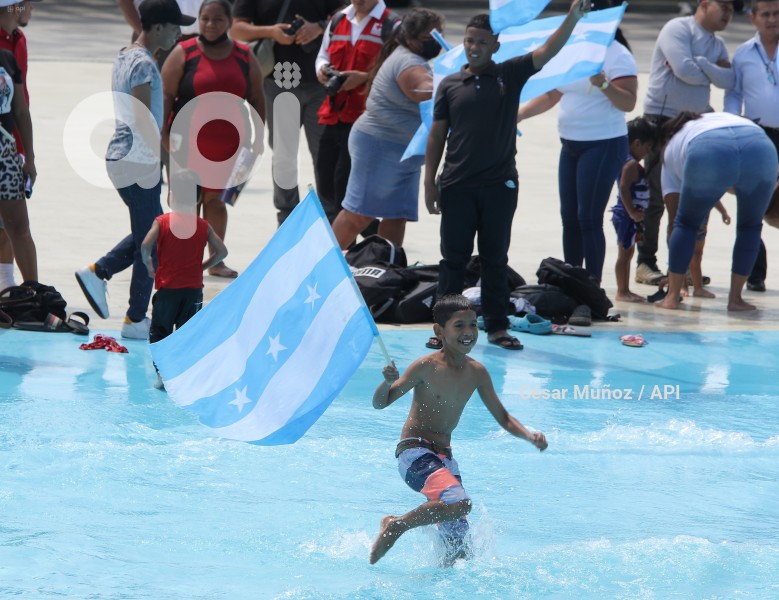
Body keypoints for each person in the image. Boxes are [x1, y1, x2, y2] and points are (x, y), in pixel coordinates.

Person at [424, 1, 589, 352]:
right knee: (452, 261)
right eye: (470, 41)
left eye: (482, 42)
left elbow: (547, 51)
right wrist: (429, 182)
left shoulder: (509, 74)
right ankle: (444, 328)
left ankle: (497, 327)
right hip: (456, 186)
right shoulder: (450, 85)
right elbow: (437, 136)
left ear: (495, 46)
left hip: (499, 187)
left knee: (495, 259)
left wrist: (572, 17)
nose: (474, 47)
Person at [369, 294, 548, 565]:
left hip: (445, 460)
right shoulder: (425, 366)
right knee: (460, 503)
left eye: (473, 325)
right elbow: (381, 403)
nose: (468, 333)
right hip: (414, 453)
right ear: (439, 331)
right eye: (459, 326)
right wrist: (386, 383)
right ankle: (397, 525)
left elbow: (502, 416)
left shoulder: (477, 372)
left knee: (458, 553)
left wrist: (528, 436)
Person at [75, 0, 195, 339]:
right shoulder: (143, 64)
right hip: (137, 161)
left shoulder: (125, 54)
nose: (179, 33)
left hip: (121, 156)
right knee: (153, 242)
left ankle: (100, 272)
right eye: (174, 27)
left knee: (152, 232)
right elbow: (143, 121)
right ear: (157, 27)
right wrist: (168, 164)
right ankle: (134, 318)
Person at [517, 0, 637, 283]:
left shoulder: (618, 55)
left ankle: (592, 285)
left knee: (588, 218)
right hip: (570, 143)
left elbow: (629, 102)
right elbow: (553, 94)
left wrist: (605, 84)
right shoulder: (574, 51)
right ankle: (571, 282)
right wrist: (518, 115)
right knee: (569, 217)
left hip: (603, 143)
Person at [636, 0, 740, 286]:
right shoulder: (677, 29)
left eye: (733, 10)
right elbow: (684, 71)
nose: (729, 13)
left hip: (694, 125)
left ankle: (679, 268)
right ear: (705, 4)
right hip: (662, 121)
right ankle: (645, 262)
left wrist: (702, 64)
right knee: (656, 197)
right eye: (725, 6)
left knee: (688, 198)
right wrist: (709, 69)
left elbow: (727, 80)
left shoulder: (717, 44)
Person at [161, 0, 265, 278]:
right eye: (205, 19)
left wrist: (257, 139)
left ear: (229, 22)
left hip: (229, 143)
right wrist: (162, 132)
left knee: (216, 202)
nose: (210, 25)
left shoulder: (244, 55)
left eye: (217, 20)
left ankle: (215, 261)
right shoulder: (184, 52)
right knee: (185, 203)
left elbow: (256, 98)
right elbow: (166, 95)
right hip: (188, 141)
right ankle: (182, 260)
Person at [330, 8, 444, 249]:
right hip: (380, 146)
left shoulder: (415, 58)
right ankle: (319, 265)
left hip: (403, 153)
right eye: (429, 36)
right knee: (358, 214)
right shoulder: (408, 62)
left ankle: (386, 268)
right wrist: (462, 78)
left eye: (439, 33)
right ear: (411, 39)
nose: (437, 39)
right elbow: (427, 91)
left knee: (396, 215)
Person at [231, 0, 344, 225]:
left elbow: (346, 14)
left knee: (325, 154)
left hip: (320, 81)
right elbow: (236, 28)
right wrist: (271, 32)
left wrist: (319, 27)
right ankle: (287, 216)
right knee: (284, 155)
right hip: (280, 80)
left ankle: (331, 217)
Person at [655, 112, 778, 312]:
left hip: (709, 149)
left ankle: (672, 296)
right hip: (761, 146)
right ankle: (736, 299)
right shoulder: (716, 119)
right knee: (750, 227)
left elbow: (674, 218)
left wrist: (675, 274)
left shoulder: (671, 148)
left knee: (685, 223)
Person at [140, 173, 228, 390]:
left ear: (171, 198)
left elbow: (144, 245)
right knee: (188, 334)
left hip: (168, 289)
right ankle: (185, 374)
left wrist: (149, 264)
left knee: (161, 332)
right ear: (198, 200)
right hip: (193, 291)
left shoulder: (162, 222)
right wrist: (203, 267)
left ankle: (162, 376)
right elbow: (222, 252)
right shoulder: (203, 226)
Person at [313, 0, 397, 223]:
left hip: (368, 121)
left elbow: (399, 70)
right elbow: (322, 54)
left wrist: (365, 79)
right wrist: (322, 69)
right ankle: (338, 248)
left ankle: (362, 245)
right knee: (326, 185)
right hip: (333, 115)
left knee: (351, 190)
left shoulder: (392, 24)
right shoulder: (338, 19)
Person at [724, 0, 779, 292]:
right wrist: (735, 127)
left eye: (777, 13)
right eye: (766, 14)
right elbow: (734, 94)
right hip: (757, 134)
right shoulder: (744, 53)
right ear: (753, 18)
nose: (772, 19)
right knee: (752, 206)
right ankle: (754, 273)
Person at [0, 0, 35, 286]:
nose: (31, 8)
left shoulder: (18, 42)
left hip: (11, 148)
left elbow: (21, 107)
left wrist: (27, 156)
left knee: (13, 227)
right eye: (27, 3)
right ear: (13, 7)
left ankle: (11, 289)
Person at [611, 117, 655, 303]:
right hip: (627, 216)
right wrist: (632, 213)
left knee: (628, 254)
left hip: (630, 216)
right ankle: (622, 291)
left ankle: (626, 289)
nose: (647, 152)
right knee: (625, 254)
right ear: (636, 143)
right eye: (647, 147)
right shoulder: (630, 165)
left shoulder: (626, 160)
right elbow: (623, 188)